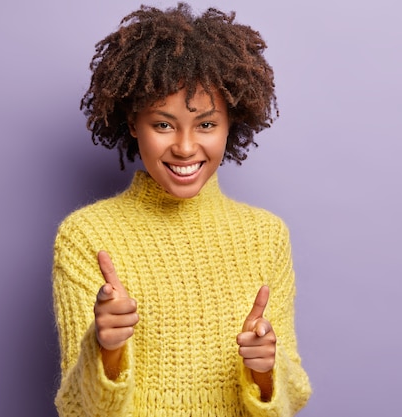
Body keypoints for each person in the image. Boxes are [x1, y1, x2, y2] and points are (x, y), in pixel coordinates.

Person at [52, 3, 311, 416]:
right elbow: (80, 408)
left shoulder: (266, 235)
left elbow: (291, 392)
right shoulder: (86, 236)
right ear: (133, 122)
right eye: (163, 124)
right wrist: (107, 349)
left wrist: (264, 371)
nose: (186, 147)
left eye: (206, 124)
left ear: (232, 124)